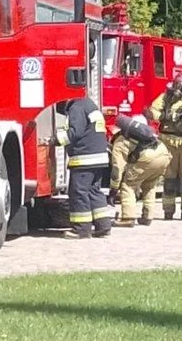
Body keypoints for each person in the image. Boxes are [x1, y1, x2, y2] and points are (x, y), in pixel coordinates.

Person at [146, 74, 182, 221]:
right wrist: (164, 116)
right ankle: (168, 210)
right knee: (169, 177)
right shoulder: (166, 96)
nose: (180, 89)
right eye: (178, 85)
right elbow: (151, 111)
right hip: (168, 141)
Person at [53, 97, 112, 239]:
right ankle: (103, 225)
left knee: (78, 192)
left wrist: (54, 140)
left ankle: (81, 229)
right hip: (99, 157)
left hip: (84, 158)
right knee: (94, 191)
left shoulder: (76, 107)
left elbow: (75, 132)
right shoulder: (89, 104)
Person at [107, 114, 171, 227]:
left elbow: (117, 169)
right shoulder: (148, 134)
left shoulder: (120, 141)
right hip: (163, 153)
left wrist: (113, 190)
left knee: (128, 185)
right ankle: (147, 217)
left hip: (148, 157)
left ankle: (127, 218)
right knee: (149, 185)